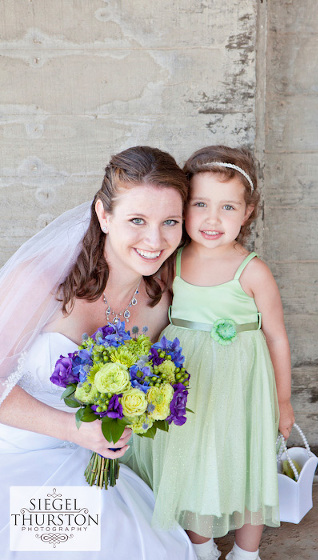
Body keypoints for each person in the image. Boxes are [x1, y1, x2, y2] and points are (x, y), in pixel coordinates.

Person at [0, 146, 194, 558]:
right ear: (104, 215)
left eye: (170, 222)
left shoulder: (161, 298)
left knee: (120, 536)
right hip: (14, 452)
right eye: (137, 220)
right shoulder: (41, 281)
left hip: (91, 457)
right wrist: (73, 429)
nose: (155, 240)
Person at [127, 145, 293, 560]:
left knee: (248, 461)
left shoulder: (252, 270)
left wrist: (283, 401)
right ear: (184, 207)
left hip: (240, 385)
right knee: (192, 463)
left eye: (227, 207)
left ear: (248, 211)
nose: (212, 219)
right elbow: (154, 320)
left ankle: (245, 552)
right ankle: (199, 548)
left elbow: (276, 337)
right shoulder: (174, 261)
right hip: (188, 386)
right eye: (200, 204)